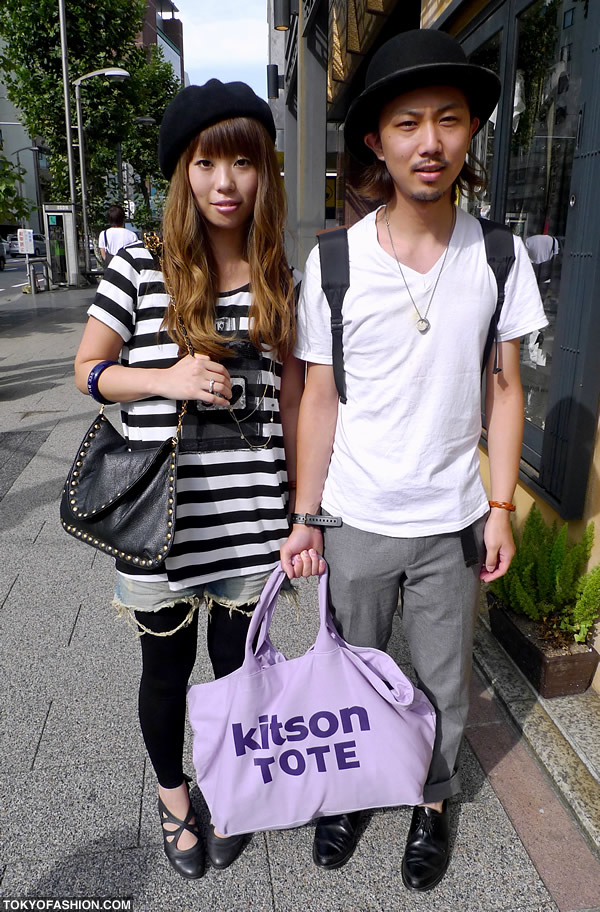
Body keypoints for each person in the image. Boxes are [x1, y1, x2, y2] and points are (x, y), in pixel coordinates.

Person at [281, 29, 547, 891]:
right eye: (407, 124)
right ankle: (352, 790)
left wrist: (500, 504)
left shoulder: (499, 256)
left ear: (470, 131)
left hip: (450, 520)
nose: (428, 142)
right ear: (377, 141)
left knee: (441, 681)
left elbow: (506, 390)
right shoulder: (332, 263)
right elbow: (318, 396)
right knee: (351, 666)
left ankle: (431, 803)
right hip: (356, 515)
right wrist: (305, 514)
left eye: (447, 120)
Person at [74, 80, 303, 880]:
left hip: (250, 517)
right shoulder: (138, 266)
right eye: (209, 162)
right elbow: (87, 372)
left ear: (264, 171)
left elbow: (297, 400)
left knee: (238, 672)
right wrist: (164, 379)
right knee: (165, 671)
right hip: (161, 522)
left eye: (245, 161)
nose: (227, 181)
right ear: (184, 172)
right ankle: (176, 799)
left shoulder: (279, 272)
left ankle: (228, 785)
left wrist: (301, 513)